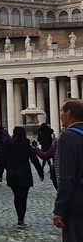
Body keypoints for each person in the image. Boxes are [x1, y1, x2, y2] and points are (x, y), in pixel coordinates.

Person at [1, 126, 44, 229]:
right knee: (23, 198)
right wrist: (40, 172)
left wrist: (0, 174)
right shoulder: (26, 146)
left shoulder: (9, 145)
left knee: (16, 196)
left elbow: (3, 160)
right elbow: (34, 160)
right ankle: (21, 220)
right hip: (25, 174)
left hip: (12, 174)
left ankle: (19, 218)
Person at [53, 99, 83, 239]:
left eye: (61, 111)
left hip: (76, 203)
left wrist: (59, 209)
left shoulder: (67, 136)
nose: (60, 115)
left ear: (69, 113)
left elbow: (66, 177)